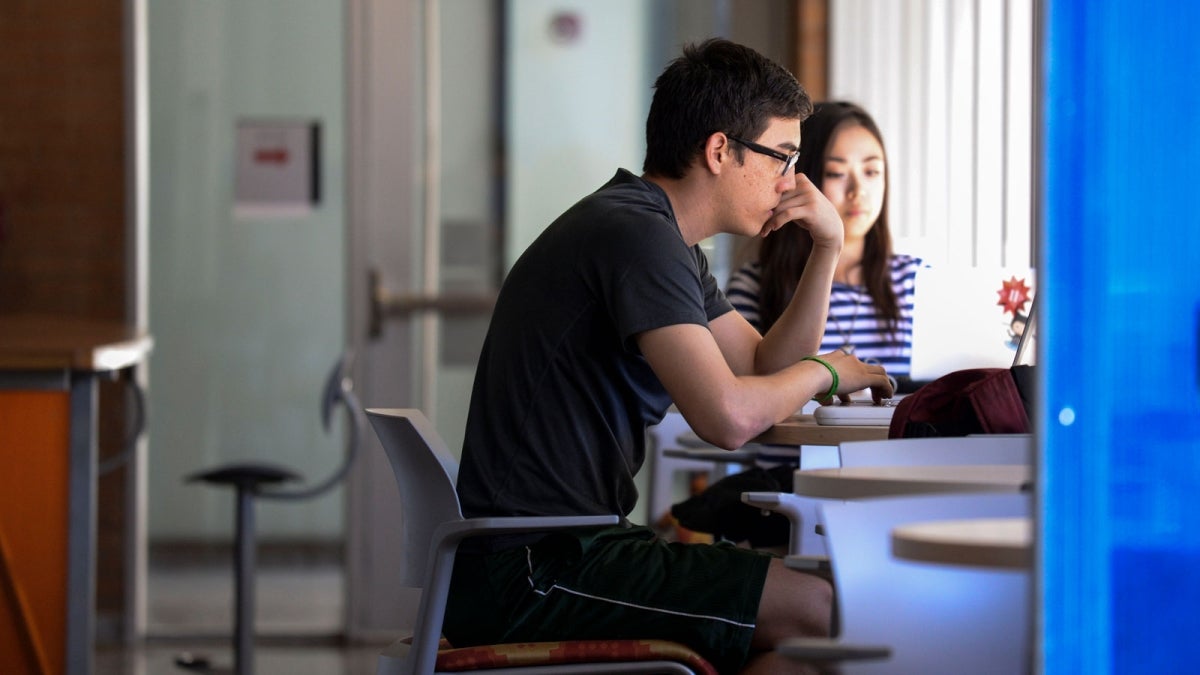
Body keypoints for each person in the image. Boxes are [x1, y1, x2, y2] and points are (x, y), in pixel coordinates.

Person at [445, 39, 894, 675]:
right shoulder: (637, 237)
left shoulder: (660, 237)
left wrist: (827, 247)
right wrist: (827, 371)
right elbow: (730, 419)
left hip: (553, 549)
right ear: (720, 151)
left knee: (799, 635)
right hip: (534, 567)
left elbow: (762, 366)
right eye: (784, 158)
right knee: (819, 608)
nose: (794, 183)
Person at [726, 101, 925, 382]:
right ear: (801, 178)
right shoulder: (755, 285)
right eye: (836, 173)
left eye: (871, 172)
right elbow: (745, 389)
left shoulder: (917, 282)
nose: (858, 192)